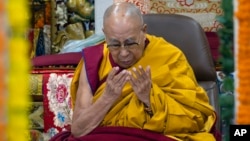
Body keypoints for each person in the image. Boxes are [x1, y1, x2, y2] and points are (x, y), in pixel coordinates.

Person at [50, 2, 218, 141]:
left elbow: (196, 119)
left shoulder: (169, 57)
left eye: (131, 43)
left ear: (143, 31)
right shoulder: (95, 60)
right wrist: (107, 98)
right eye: (115, 44)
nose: (123, 53)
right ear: (105, 36)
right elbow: (78, 130)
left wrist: (150, 99)